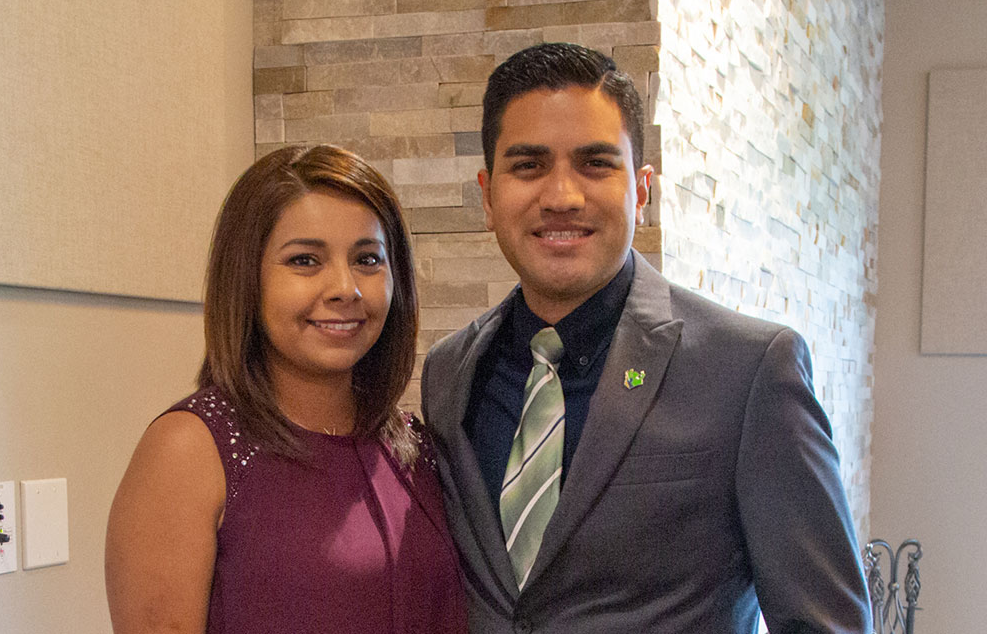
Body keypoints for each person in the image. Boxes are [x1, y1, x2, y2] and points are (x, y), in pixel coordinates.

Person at [421, 42, 870, 633]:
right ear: (487, 194)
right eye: (528, 165)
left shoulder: (750, 370)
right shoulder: (449, 372)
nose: (560, 196)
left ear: (643, 189)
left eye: (595, 163)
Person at [105, 145, 466, 634]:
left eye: (367, 259)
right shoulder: (189, 450)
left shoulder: (415, 445)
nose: (346, 288)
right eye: (304, 260)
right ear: (247, 278)